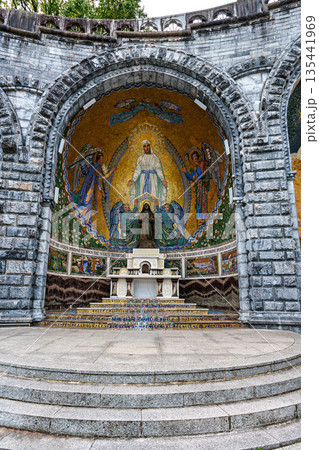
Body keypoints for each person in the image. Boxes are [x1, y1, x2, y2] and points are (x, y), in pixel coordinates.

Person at [72, 152, 115, 225]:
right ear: (98, 158)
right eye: (101, 159)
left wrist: (101, 190)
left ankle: (86, 220)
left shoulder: (96, 166)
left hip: (92, 188)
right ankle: (80, 214)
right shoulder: (96, 166)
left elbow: (96, 180)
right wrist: (112, 170)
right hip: (89, 187)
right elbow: (104, 177)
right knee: (86, 200)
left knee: (89, 203)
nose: (101, 160)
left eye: (102, 159)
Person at [127, 140, 167, 206]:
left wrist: (162, 179)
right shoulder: (141, 158)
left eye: (148, 145)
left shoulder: (155, 158)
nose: (147, 147)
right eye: (145, 146)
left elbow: (159, 169)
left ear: (151, 146)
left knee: (154, 193)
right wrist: (133, 179)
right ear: (143, 148)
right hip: (143, 178)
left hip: (153, 179)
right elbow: (138, 169)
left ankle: (154, 211)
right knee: (142, 195)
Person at [181, 150, 210, 223]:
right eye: (193, 157)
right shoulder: (195, 168)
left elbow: (205, 173)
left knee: (203, 201)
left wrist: (197, 177)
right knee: (198, 202)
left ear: (198, 157)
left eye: (196, 156)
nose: (195, 158)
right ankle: (201, 219)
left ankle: (205, 218)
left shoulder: (202, 164)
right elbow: (191, 177)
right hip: (197, 187)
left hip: (202, 185)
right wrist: (185, 172)